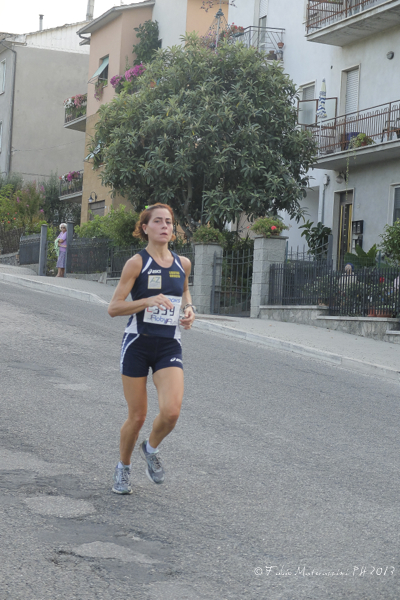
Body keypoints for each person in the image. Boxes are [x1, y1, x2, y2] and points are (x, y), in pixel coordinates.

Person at [108, 203, 195, 494]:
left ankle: (151, 448)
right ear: (145, 228)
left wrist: (189, 309)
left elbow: (184, 291)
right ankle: (123, 467)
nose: (165, 226)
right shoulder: (137, 263)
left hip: (169, 344)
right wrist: (147, 301)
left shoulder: (183, 263)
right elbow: (114, 307)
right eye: (158, 221)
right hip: (138, 343)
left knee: (171, 412)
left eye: (168, 221)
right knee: (138, 416)